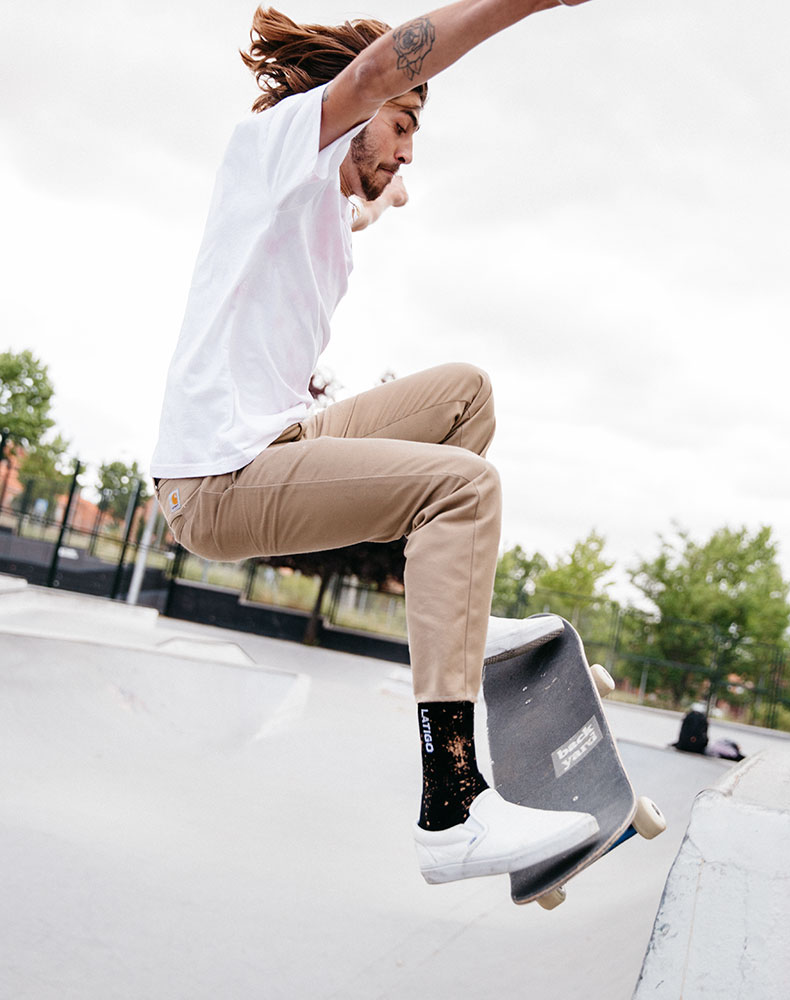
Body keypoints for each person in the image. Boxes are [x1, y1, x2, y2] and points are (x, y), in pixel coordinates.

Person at [152, 0, 599, 886]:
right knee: (464, 487)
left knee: (466, 392)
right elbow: (375, 74)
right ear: (356, 110)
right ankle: (452, 810)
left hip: (276, 442)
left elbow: (362, 207)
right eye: (401, 128)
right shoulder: (279, 142)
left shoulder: (321, 198)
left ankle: (460, 621)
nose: (406, 153)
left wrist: (383, 194)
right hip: (216, 479)